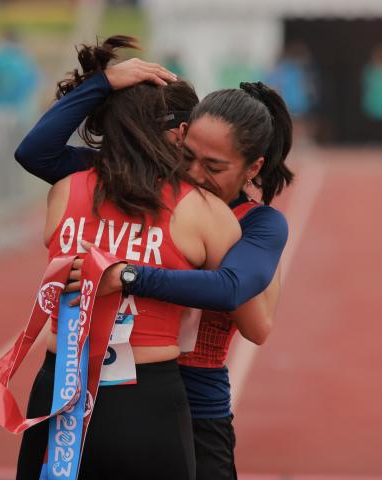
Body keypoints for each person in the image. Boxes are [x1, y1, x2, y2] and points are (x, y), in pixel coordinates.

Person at [15, 41, 294, 479]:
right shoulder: (141, 186)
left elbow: (252, 318)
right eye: (186, 156)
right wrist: (102, 84)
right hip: (119, 389)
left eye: (214, 166)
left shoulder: (258, 225)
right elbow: (36, 153)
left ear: (252, 168)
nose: (194, 174)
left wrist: (132, 272)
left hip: (196, 402)